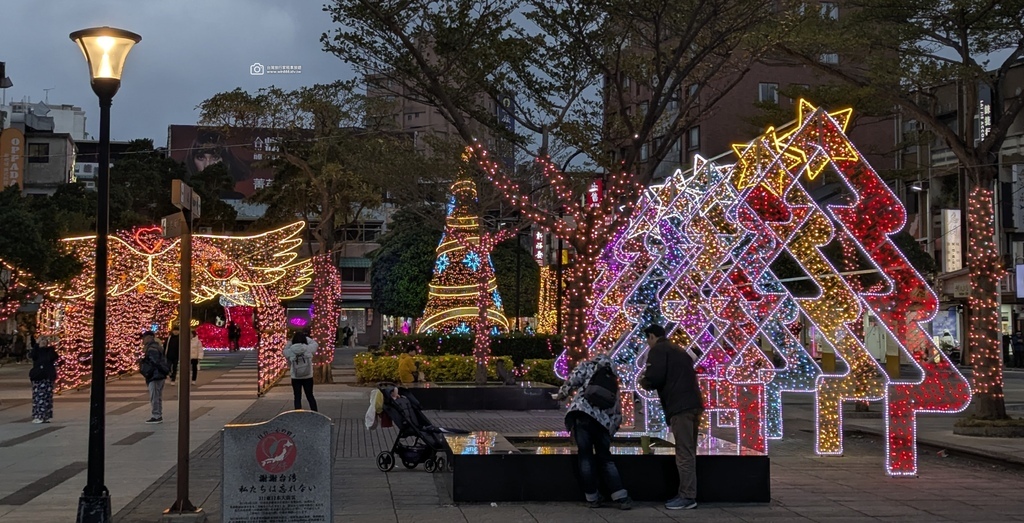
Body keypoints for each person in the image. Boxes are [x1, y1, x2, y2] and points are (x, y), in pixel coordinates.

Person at [555, 353, 632, 510]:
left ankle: (592, 497)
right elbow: (617, 410)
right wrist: (612, 430)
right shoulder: (613, 377)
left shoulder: (587, 366)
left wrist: (562, 394)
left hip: (582, 415)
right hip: (603, 422)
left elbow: (571, 381)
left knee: (585, 456)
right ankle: (621, 497)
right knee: (605, 458)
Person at [640, 324, 704, 510]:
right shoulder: (678, 349)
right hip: (693, 404)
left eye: (648, 339)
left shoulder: (658, 350)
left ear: (651, 336)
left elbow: (654, 377)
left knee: (684, 453)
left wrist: (643, 381)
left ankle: (687, 496)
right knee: (689, 451)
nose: (648, 343)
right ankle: (688, 493)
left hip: (680, 407)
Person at [140, 331, 170, 424]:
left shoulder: (151, 348)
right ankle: (158, 414)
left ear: (149, 337)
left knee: (155, 396)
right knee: (157, 396)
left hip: (155, 375)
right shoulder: (156, 346)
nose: (142, 340)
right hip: (158, 375)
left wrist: (147, 370)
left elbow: (154, 362)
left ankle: (156, 415)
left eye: (144, 338)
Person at [284, 332, 318, 411]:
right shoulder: (308, 348)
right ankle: (315, 413)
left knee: (297, 397)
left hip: (295, 376)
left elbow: (285, 351)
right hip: (308, 376)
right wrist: (306, 338)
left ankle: (298, 414)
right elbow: (315, 344)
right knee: (310, 396)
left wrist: (291, 341)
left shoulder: (291, 350)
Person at [28, 335, 59, 424]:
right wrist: (37, 345)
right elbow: (33, 355)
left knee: (47, 397)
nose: (43, 342)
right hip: (38, 376)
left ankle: (46, 415)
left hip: (48, 376)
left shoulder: (50, 351)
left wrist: (52, 347)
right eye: (42, 340)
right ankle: (38, 415)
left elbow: (55, 357)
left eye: (45, 340)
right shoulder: (36, 351)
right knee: (38, 397)